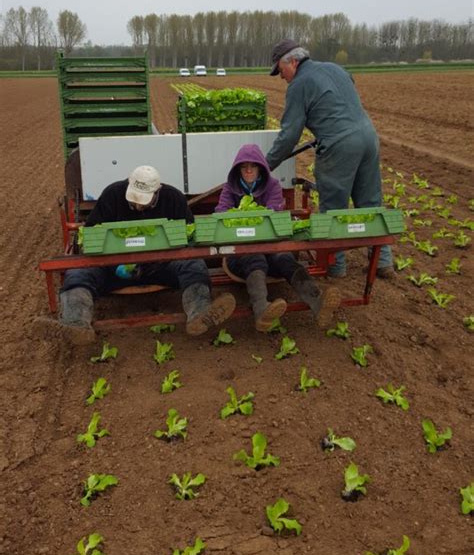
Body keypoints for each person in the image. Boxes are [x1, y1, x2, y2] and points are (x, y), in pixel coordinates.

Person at [35, 165, 236, 345]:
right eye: (135, 200)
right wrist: (114, 262)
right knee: (78, 273)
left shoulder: (173, 198)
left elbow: (190, 235)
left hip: (160, 265)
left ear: (157, 191)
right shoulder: (113, 194)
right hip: (113, 268)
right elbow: (91, 234)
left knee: (194, 265)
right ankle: (75, 323)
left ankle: (199, 314)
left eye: (144, 201)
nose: (139, 206)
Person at [265, 39, 394, 279]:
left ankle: (335, 266)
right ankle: (383, 261)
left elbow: (289, 135)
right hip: (368, 136)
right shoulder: (334, 68)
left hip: (339, 145)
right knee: (370, 201)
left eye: (280, 71)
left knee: (333, 208)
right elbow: (344, 90)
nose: (281, 77)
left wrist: (266, 164)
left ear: (292, 62)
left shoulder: (299, 84)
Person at [216, 144, 340, 331]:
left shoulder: (272, 185)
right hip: (240, 252)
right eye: (244, 167)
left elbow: (274, 210)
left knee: (285, 258)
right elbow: (221, 213)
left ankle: (318, 302)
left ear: (260, 168)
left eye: (253, 166)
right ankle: (261, 310)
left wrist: (244, 217)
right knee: (254, 258)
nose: (249, 170)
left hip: (271, 247)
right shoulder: (230, 189)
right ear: (238, 169)